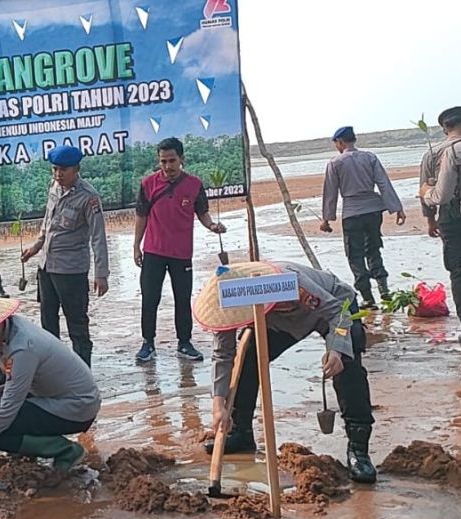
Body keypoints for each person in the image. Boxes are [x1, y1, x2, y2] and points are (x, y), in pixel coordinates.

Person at [196, 261, 377, 483]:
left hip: (333, 309)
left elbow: (338, 315)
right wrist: (218, 406)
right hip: (280, 320)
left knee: (347, 367)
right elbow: (223, 356)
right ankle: (240, 432)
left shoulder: (291, 283)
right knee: (246, 360)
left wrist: (337, 350)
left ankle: (358, 449)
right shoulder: (226, 302)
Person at [0, 297, 101, 472]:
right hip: (52, 395)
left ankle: (66, 450)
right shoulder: (7, 332)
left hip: (77, 407)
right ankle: (27, 449)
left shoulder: (22, 348)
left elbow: (8, 409)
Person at [133, 137, 228, 363]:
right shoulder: (148, 184)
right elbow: (141, 216)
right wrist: (136, 245)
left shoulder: (194, 185)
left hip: (182, 253)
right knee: (150, 299)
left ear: (182, 159)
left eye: (172, 160)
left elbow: (203, 213)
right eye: (163, 161)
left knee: (182, 299)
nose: (167, 167)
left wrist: (212, 226)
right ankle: (148, 343)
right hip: (154, 251)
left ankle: (184, 343)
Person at [20, 146, 108, 366]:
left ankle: (82, 371)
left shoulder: (89, 198)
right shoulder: (54, 188)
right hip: (47, 268)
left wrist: (101, 274)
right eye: (55, 169)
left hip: (71, 271)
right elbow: (47, 224)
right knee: (48, 324)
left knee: (77, 324)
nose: (58, 174)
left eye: (63, 170)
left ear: (76, 169)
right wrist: (35, 247)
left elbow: (98, 237)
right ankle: (54, 371)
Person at [319, 126, 404, 308]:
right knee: (373, 249)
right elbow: (383, 184)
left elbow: (330, 193)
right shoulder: (370, 157)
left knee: (355, 256)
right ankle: (384, 291)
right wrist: (397, 208)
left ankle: (368, 298)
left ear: (340, 142)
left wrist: (327, 219)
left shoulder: (335, 163)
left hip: (352, 214)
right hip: (374, 212)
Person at [420, 107, 461, 338]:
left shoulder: (434, 153)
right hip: (452, 217)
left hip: (451, 219)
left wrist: (430, 220)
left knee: (459, 272)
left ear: (444, 129)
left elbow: (429, 191)